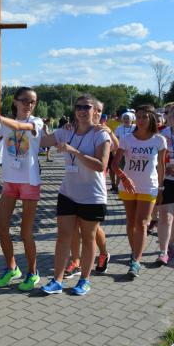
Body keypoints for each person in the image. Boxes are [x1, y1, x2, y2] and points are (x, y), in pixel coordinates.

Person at [40, 94, 111, 296]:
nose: (81, 110)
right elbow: (42, 141)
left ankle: (84, 280)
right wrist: (29, 124)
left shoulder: (100, 135)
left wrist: (75, 152)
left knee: (88, 238)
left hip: (92, 196)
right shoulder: (66, 131)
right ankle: (57, 280)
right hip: (68, 193)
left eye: (86, 107)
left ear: (95, 111)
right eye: (78, 106)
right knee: (63, 237)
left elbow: (101, 165)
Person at [0, 87, 44, 293]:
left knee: (25, 232)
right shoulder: (2, 124)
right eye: (24, 101)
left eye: (32, 102)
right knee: (1, 227)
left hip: (29, 182)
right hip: (9, 180)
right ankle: (11, 267)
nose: (29, 105)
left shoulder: (37, 122)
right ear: (15, 102)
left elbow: (18, 125)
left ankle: (33, 272)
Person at [64, 99, 118, 276]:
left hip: (94, 185)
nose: (97, 114)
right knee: (74, 227)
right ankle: (75, 260)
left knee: (93, 230)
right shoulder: (75, 129)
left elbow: (116, 147)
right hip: (74, 186)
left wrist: (109, 132)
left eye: (99, 111)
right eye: (79, 107)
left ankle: (103, 253)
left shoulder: (101, 131)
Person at [112, 105, 166, 278]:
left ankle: (136, 260)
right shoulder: (127, 139)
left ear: (151, 119)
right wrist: (123, 178)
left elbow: (161, 167)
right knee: (131, 222)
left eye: (145, 117)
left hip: (148, 186)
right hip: (127, 186)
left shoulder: (159, 140)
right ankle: (134, 251)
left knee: (142, 223)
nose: (141, 120)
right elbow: (114, 164)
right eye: (139, 117)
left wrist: (161, 187)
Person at [155, 102, 174, 265]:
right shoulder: (162, 135)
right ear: (168, 118)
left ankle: (172, 244)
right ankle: (163, 252)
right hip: (165, 180)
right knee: (164, 216)